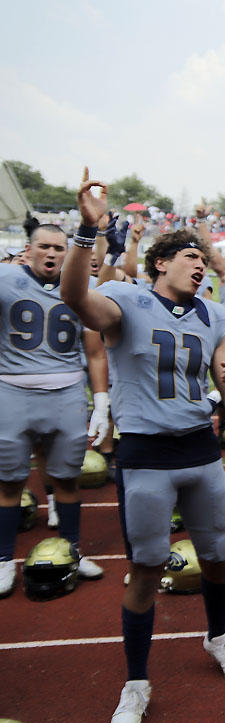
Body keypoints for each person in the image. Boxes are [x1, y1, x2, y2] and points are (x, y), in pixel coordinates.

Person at [60, 169, 225, 723]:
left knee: (218, 557)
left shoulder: (214, 315)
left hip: (202, 452)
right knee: (145, 570)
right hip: (145, 455)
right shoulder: (126, 298)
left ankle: (217, 635)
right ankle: (137, 680)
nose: (200, 263)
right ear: (160, 264)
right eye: (189, 256)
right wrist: (86, 232)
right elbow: (75, 297)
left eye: (204, 258)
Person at [0, 218, 110, 597]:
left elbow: (95, 352)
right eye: (44, 246)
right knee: (10, 481)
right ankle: (2, 560)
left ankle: (71, 551)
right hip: (13, 391)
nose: (51, 253)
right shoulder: (5, 279)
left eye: (58, 248)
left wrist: (101, 402)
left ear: (68, 253)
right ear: (27, 249)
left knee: (66, 479)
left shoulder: (84, 288)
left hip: (66, 392)